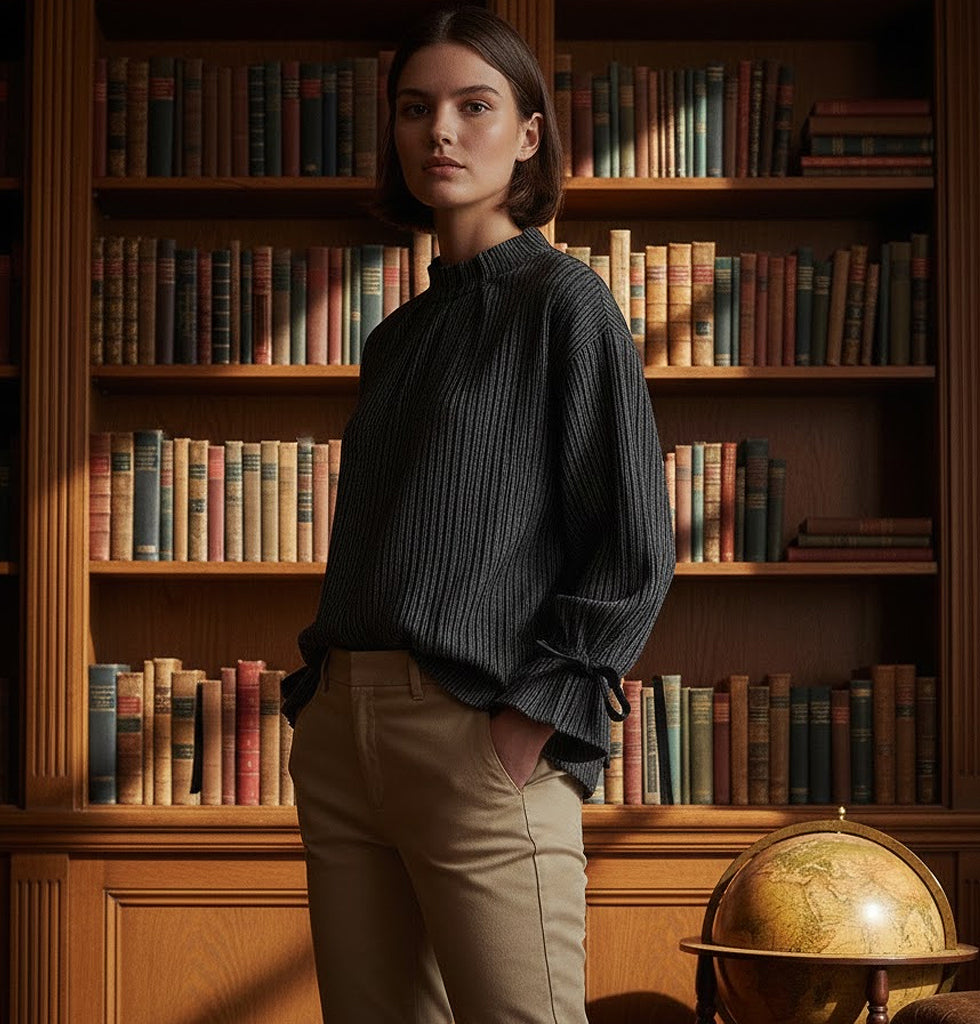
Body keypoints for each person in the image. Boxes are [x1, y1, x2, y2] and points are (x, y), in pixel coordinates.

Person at [283, 7, 675, 1022]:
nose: (441, 132)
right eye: (416, 110)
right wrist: (321, 708)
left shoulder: (565, 303)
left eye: (474, 105)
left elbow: (631, 550)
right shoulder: (396, 337)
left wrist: (525, 721)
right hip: (342, 734)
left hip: (477, 730)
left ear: (530, 133)